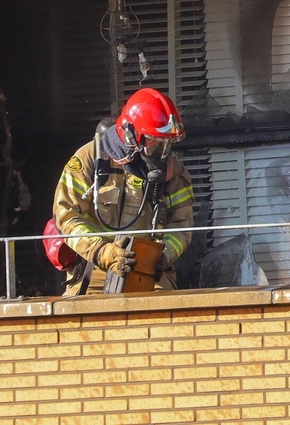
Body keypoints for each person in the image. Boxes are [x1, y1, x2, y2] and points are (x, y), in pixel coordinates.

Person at [52, 88, 195, 295]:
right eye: (155, 141)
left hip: (149, 271)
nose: (162, 153)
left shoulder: (173, 173)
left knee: (162, 314)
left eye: (167, 144)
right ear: (130, 135)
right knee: (78, 318)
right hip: (94, 268)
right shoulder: (89, 158)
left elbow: (182, 226)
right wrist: (102, 252)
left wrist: (163, 256)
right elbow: (65, 216)